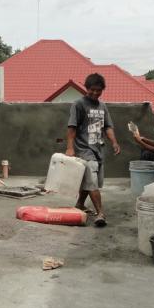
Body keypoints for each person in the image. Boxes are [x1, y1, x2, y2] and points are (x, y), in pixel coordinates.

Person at [66, 73, 121, 227]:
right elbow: (72, 127)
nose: (95, 93)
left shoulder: (102, 106)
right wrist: (70, 147)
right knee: (92, 182)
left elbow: (108, 126)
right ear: (86, 88)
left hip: (98, 149)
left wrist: (114, 142)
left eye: (98, 90)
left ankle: (79, 204)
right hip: (83, 150)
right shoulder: (78, 104)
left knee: (89, 181)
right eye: (92, 90)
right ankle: (100, 213)